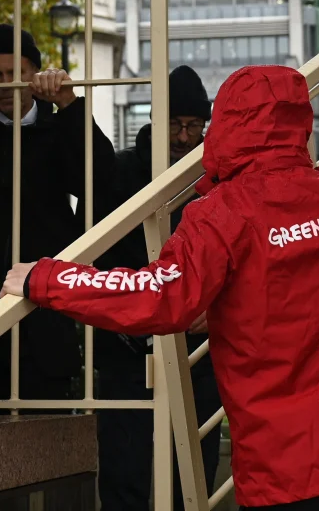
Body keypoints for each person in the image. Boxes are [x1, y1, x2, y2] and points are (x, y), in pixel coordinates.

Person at [2, 65, 319, 511]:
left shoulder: (222, 213)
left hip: (289, 467)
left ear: (226, 125)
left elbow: (157, 297)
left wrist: (47, 278)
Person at [0, 24, 116, 402]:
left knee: (47, 417)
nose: (6, 84)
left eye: (16, 74)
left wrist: (71, 106)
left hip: (44, 302)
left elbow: (102, 181)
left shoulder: (58, 126)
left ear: (34, 75)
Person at [94, 66, 223, 511]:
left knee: (194, 470)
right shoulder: (121, 170)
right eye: (176, 124)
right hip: (126, 344)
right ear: (156, 119)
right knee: (123, 469)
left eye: (194, 126)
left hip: (197, 345)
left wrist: (217, 305)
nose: (185, 137)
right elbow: (97, 248)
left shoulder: (220, 175)